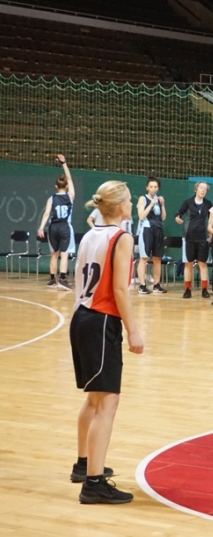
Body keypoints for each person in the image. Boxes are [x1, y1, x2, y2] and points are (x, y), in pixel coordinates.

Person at [70, 180, 144, 504]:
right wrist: (133, 330)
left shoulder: (89, 235)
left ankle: (83, 464)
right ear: (122, 207)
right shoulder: (121, 237)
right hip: (101, 320)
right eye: (129, 200)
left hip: (81, 317)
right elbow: (119, 289)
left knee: (94, 399)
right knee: (107, 403)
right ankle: (94, 483)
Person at [37, 154, 75, 291]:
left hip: (53, 227)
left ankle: (52, 280)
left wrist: (41, 227)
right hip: (65, 227)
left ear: (55, 186)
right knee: (64, 254)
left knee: (54, 254)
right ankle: (62, 280)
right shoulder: (70, 196)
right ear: (66, 186)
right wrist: (64, 164)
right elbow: (70, 179)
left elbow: (46, 214)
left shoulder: (51, 198)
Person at [174, 181, 213, 299]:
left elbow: (212, 219)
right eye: (201, 188)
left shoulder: (208, 204)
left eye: (205, 189)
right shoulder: (188, 202)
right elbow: (178, 213)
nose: (203, 190)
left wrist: (211, 233)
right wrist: (177, 218)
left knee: (202, 263)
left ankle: (204, 289)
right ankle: (187, 289)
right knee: (188, 263)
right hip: (189, 237)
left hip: (203, 237)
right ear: (196, 189)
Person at [136, 176, 167, 295]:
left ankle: (156, 285)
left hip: (158, 229)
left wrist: (162, 205)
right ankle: (142, 285)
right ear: (147, 187)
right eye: (151, 187)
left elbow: (163, 217)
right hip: (147, 229)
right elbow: (141, 216)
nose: (153, 189)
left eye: (155, 187)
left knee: (157, 258)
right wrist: (151, 204)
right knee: (144, 258)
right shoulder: (143, 198)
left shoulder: (159, 200)